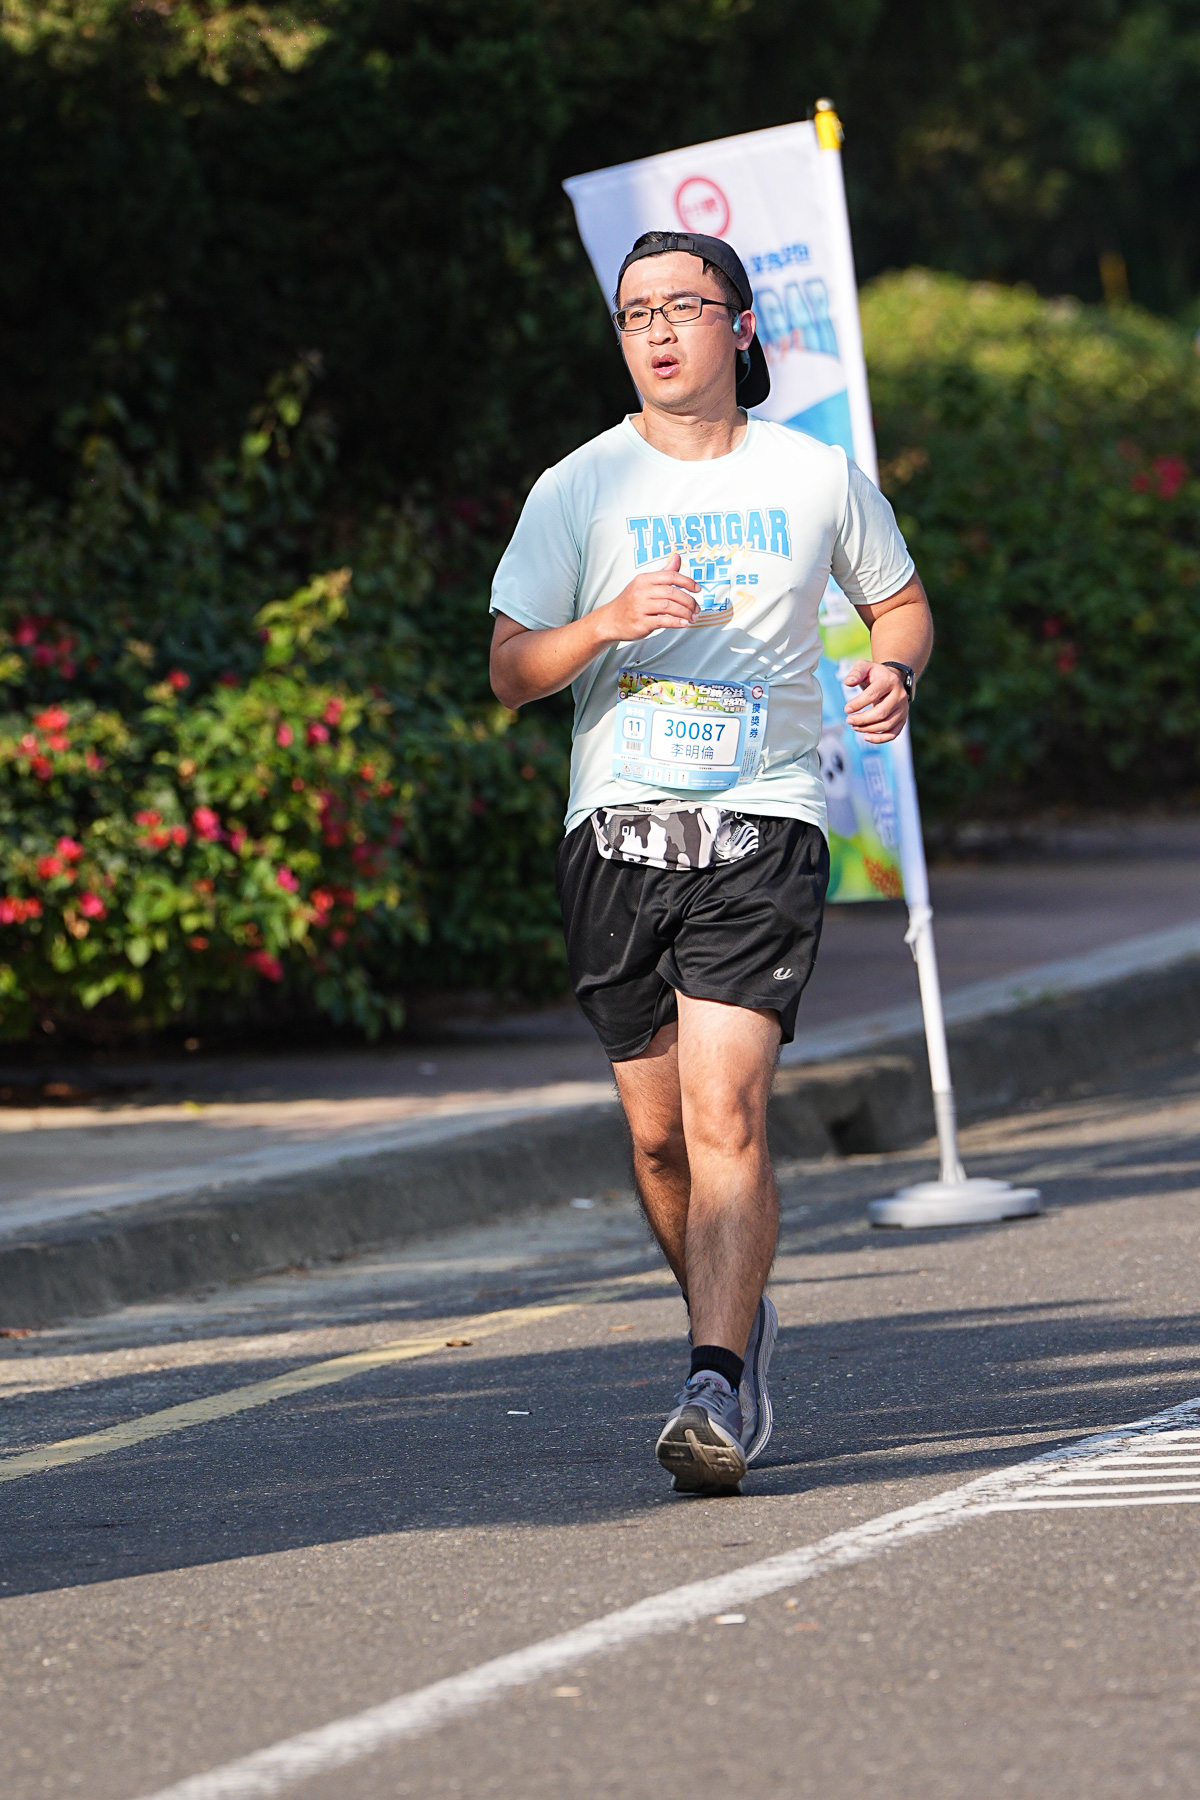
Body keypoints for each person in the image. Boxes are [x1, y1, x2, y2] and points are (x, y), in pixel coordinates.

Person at [489, 229, 932, 1493]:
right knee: (657, 1142)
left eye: (682, 306)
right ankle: (732, 1315)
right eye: (636, 313)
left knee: (725, 1109)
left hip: (762, 819)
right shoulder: (577, 486)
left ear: (739, 326)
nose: (658, 330)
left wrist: (892, 672)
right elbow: (511, 670)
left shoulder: (813, 474)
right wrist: (606, 623)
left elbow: (899, 603)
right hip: (616, 830)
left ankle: (715, 1380)